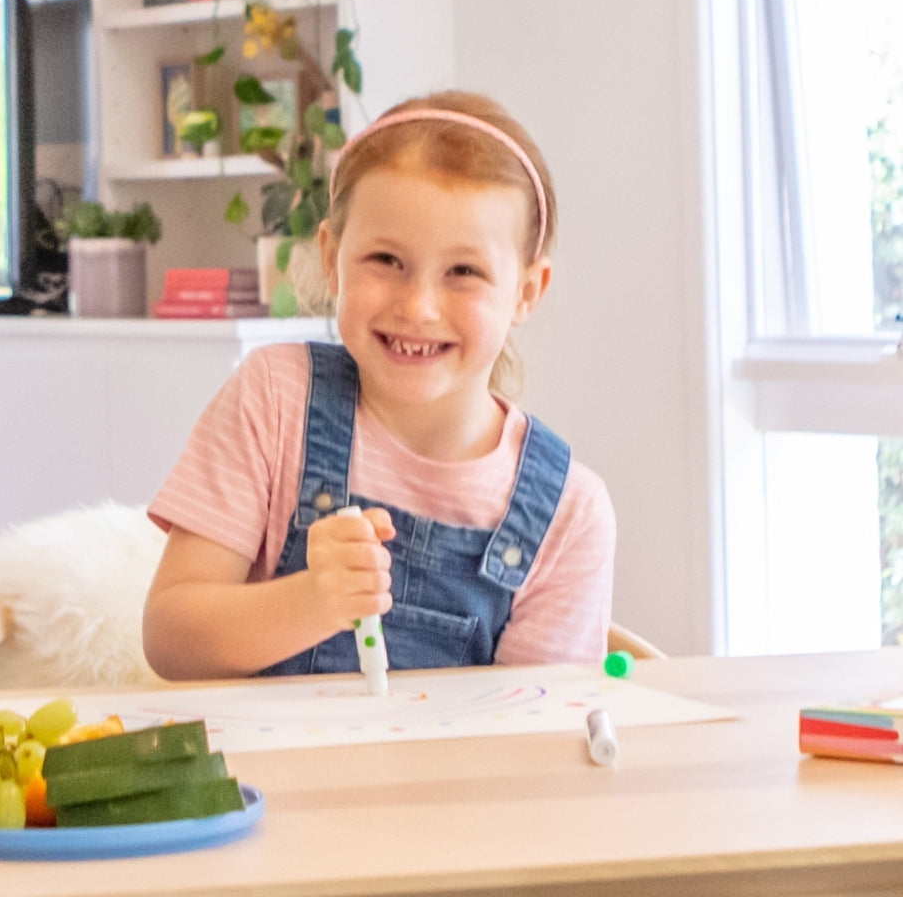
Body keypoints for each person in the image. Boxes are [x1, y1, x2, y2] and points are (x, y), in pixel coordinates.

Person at [143, 89, 616, 681]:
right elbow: (170, 640)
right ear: (331, 256)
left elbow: (536, 726)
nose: (418, 307)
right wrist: (310, 602)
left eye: (463, 272)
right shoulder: (274, 398)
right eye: (387, 261)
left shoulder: (571, 513)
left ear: (526, 292)